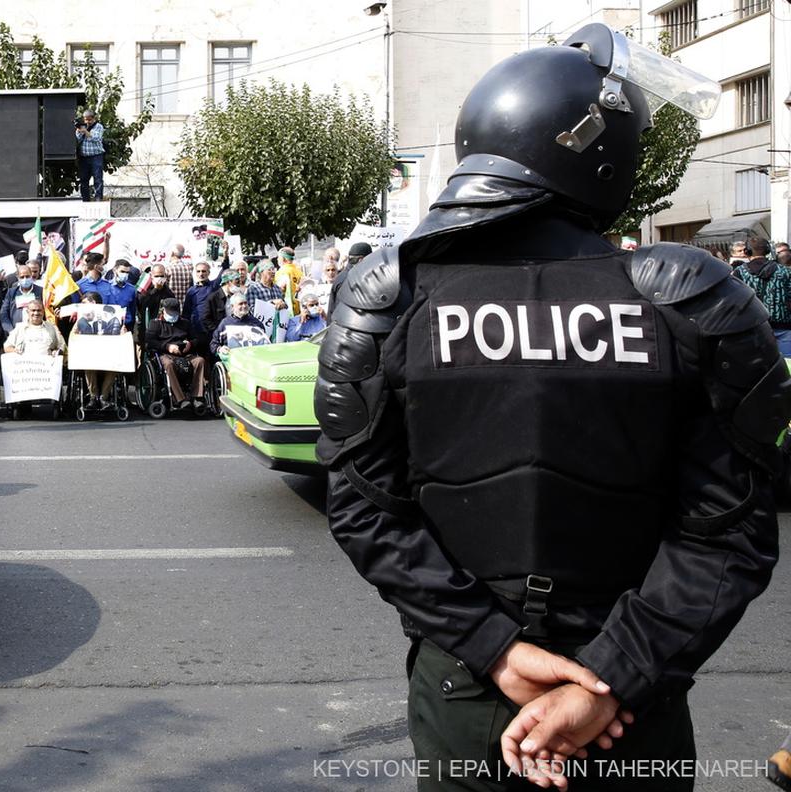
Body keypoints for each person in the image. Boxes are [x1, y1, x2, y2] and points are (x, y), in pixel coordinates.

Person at [317, 26, 786, 791]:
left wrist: (495, 648)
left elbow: (366, 510)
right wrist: (609, 678)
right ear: (597, 152)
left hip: (471, 687)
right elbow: (730, 529)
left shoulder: (392, 298)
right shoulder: (685, 299)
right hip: (630, 701)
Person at [731, 238, 791, 355]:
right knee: (787, 365)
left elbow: (735, 302)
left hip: (753, 328)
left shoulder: (739, 272)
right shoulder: (785, 271)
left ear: (747, 251)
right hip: (783, 327)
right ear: (768, 250)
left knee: (759, 367)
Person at [146, 297, 206, 408]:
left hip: (185, 353)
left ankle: (196, 396)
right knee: (168, 365)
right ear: (163, 310)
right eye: (170, 312)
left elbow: (197, 339)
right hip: (165, 353)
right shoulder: (155, 324)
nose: (172, 315)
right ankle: (180, 398)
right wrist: (167, 346)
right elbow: (150, 342)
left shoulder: (185, 323)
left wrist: (190, 344)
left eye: (174, 312)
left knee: (200, 361)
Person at [73, 292, 125, 407]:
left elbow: (118, 334)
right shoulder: (81, 319)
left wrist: (123, 332)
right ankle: (93, 396)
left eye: (85, 303)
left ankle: (103, 398)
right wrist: (76, 332)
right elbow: (73, 335)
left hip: (107, 354)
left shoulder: (110, 318)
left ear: (93, 303)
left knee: (114, 367)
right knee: (89, 365)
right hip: (89, 354)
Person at [210, 291, 268, 358]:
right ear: (232, 307)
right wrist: (220, 349)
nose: (244, 306)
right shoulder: (225, 323)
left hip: (256, 358)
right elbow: (213, 344)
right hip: (234, 361)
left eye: (245, 303)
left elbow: (265, 343)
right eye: (240, 304)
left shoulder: (256, 323)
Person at [75, 109, 105, 201]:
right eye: (85, 120)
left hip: (96, 156)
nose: (87, 122)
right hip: (84, 157)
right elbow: (78, 139)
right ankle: (85, 199)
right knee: (83, 180)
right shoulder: (82, 127)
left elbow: (96, 138)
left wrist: (85, 131)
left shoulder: (98, 127)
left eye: (89, 120)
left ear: (93, 118)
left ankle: (98, 198)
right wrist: (79, 131)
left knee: (98, 178)